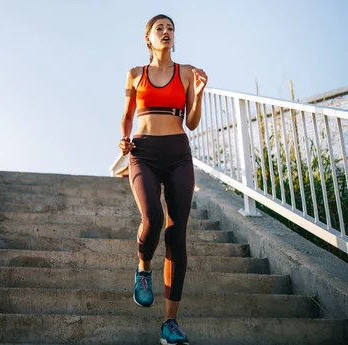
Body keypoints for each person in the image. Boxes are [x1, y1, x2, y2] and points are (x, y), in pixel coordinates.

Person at [118, 14, 208, 345]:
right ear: (148, 39)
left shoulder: (186, 72)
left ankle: (170, 323)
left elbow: (194, 122)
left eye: (171, 28)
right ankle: (143, 269)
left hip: (178, 154)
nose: (167, 32)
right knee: (152, 217)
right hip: (143, 153)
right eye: (160, 29)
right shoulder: (134, 74)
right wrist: (123, 140)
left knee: (177, 233)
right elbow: (127, 117)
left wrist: (197, 94)